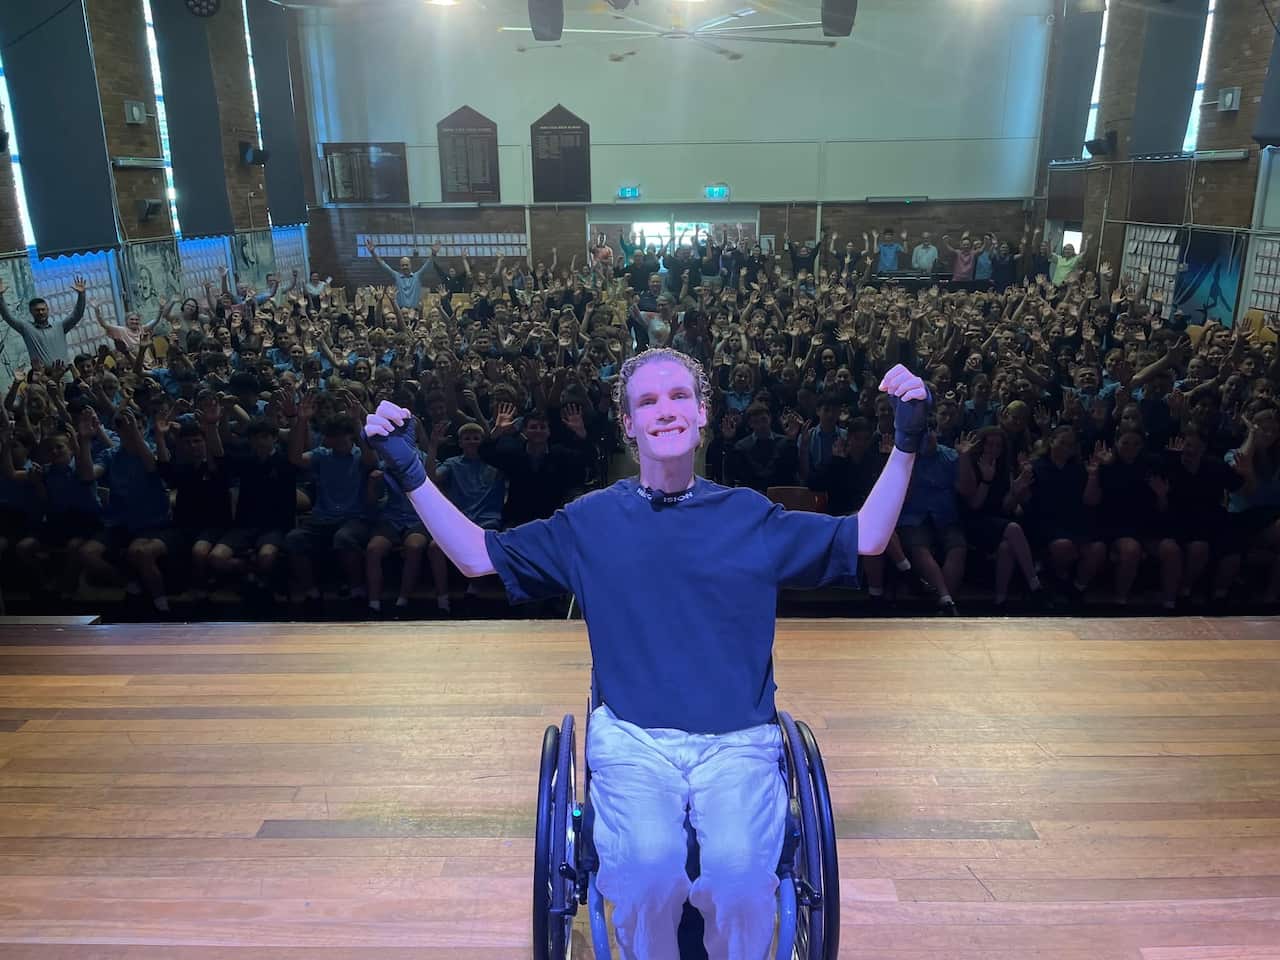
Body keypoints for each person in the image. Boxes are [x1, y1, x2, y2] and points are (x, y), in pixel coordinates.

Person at [362, 346, 930, 960]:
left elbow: (868, 536)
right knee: (649, 876)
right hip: (634, 740)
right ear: (629, 424)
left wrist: (905, 443)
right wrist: (411, 472)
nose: (665, 411)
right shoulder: (590, 522)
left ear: (704, 411)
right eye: (647, 401)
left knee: (741, 882)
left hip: (738, 742)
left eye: (679, 396)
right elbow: (477, 555)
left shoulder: (749, 516)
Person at [0, 275, 87, 368]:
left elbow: (77, 315)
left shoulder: (59, 326)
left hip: (65, 374)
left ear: (47, 310)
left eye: (43, 309)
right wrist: (0, 297)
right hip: (43, 378)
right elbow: (8, 317)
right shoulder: (27, 328)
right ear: (31, 312)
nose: (41, 312)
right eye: (37, 310)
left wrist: (81, 295)